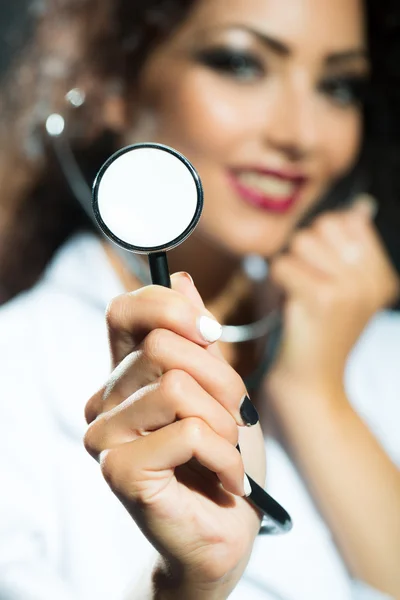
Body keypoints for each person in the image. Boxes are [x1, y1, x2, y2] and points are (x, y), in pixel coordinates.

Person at [0, 0, 399, 598]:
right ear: (115, 84)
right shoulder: (14, 374)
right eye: (239, 64)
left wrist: (316, 397)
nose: (301, 135)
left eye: (337, 86)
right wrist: (186, 587)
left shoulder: (378, 351)